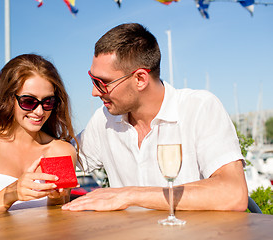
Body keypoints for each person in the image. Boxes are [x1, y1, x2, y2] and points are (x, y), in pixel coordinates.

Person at [62, 23, 248, 212]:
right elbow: (63, 158)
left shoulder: (200, 108)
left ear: (140, 79)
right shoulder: (104, 119)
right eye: (93, 80)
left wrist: (129, 195)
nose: (94, 92)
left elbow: (233, 193)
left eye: (103, 82)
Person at [0, 54, 77, 217]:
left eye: (48, 102)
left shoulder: (62, 151)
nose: (39, 111)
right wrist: (11, 194)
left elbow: (62, 223)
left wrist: (56, 200)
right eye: (29, 101)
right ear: (8, 98)